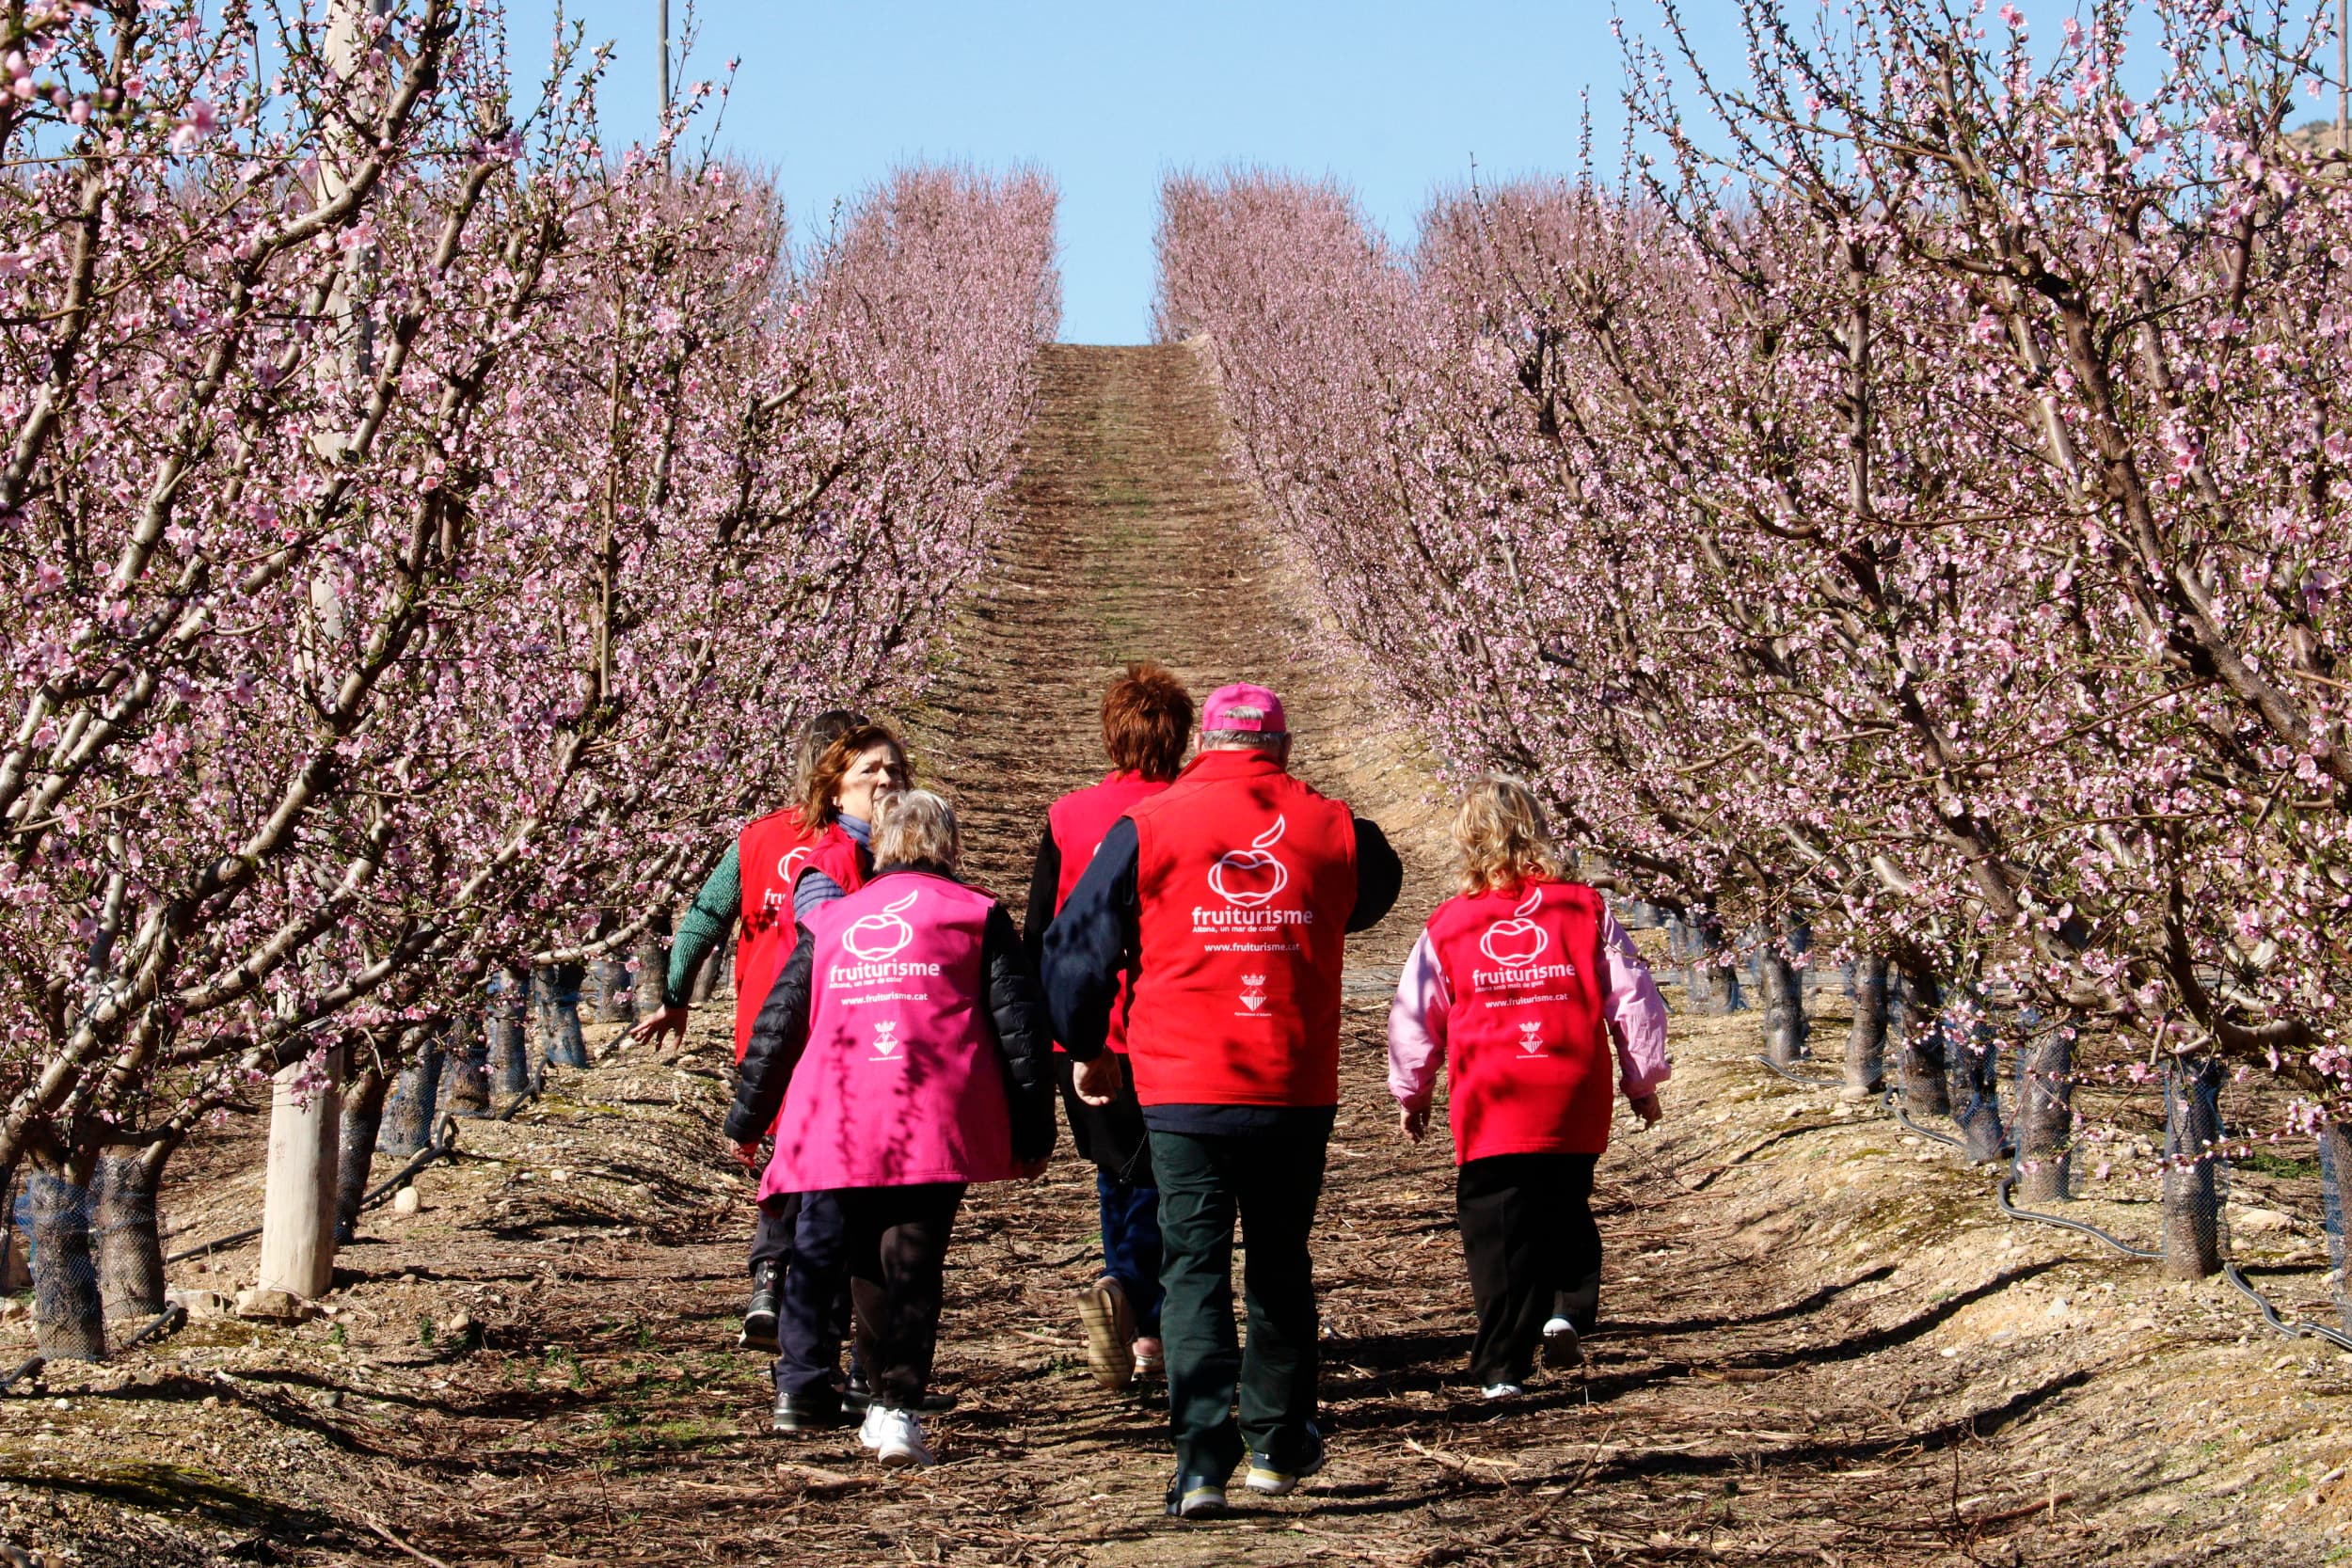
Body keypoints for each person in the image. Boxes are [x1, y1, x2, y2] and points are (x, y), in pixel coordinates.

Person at [1044, 682, 1403, 1519]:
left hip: (1182, 1087)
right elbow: (1374, 891)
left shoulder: (1148, 825)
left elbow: (1073, 945)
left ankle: (1202, 1459)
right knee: (1280, 1260)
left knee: (1192, 1266)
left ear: (1203, 745)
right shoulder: (1334, 826)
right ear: (1283, 747)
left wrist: (1087, 1045)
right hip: (1290, 1083)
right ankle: (1277, 1442)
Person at [725, 790, 1056, 1467]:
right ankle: (896, 1405)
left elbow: (779, 1024)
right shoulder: (976, 914)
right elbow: (1020, 1028)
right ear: (950, 846)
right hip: (933, 1116)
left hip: (839, 1116)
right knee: (914, 1258)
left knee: (865, 1261)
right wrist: (1034, 1131)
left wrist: (748, 1118)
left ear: (880, 846)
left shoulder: (833, 920)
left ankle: (877, 1398)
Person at [1386, 776, 1669, 1399]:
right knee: (1564, 1200)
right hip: (1570, 1086)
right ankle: (1567, 1309)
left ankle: (1501, 1366)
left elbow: (1416, 1013)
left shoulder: (1450, 923)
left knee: (1496, 1227)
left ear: (1468, 841)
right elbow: (1634, 998)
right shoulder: (1584, 908)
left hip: (1493, 1094)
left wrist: (1414, 1091)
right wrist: (1641, 1079)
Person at [629, 708, 869, 1352]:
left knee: (784, 1154)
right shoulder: (862, 847)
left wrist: (676, 997)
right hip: (838, 1025)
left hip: (764, 1029)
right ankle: (816, 1301)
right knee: (831, 1167)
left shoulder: (758, 839)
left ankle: (769, 1280)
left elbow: (703, 919)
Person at [1023, 662, 1193, 1392]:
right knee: (1162, 1176)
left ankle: (1135, 1313)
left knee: (1117, 1171)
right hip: (1165, 1023)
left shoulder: (1068, 816)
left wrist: (1046, 1035)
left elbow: (1040, 932)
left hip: (1083, 1029)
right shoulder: (1189, 812)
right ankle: (1135, 1301)